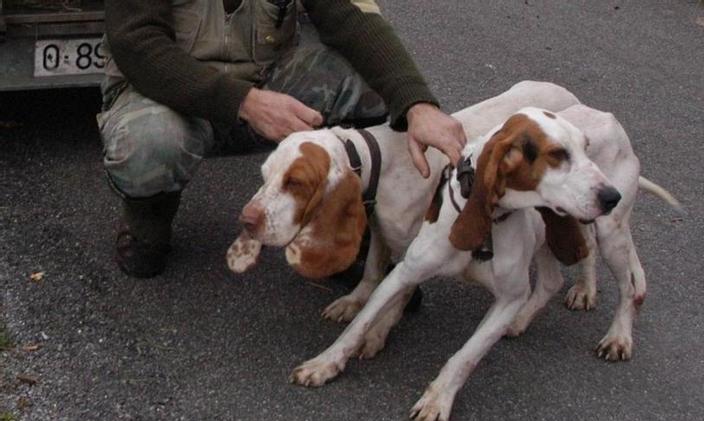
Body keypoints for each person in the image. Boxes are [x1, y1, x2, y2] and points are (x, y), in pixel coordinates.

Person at [97, 0, 466, 278]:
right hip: (167, 95)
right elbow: (137, 43)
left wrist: (417, 103)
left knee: (372, 85)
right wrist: (244, 102)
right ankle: (148, 223)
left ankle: (340, 229)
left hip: (262, 84)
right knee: (150, 142)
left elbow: (351, 17)